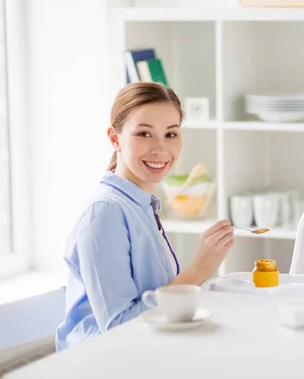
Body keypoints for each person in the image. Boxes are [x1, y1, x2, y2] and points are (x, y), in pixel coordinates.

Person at [55, 82, 234, 351]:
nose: (161, 149)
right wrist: (198, 271)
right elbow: (119, 329)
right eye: (144, 134)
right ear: (115, 139)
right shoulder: (104, 213)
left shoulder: (140, 205)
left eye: (171, 134)